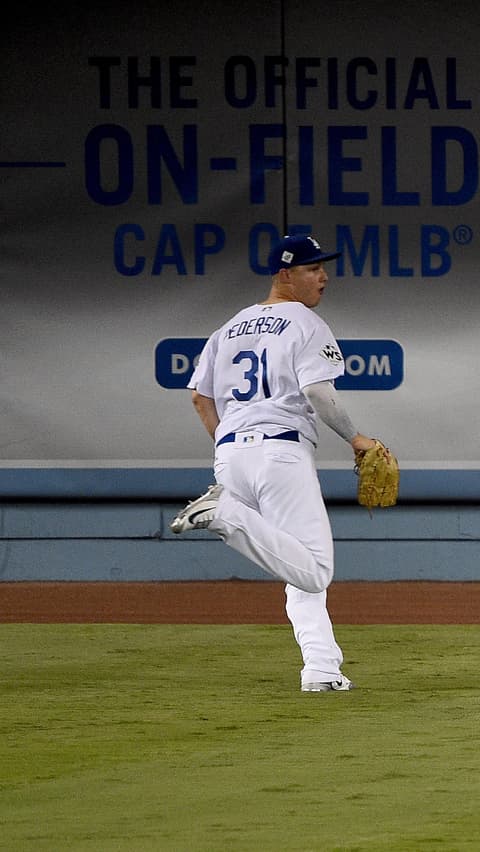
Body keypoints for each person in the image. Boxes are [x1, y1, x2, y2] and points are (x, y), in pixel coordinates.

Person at [170, 233, 382, 693]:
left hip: (230, 457)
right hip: (280, 452)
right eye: (312, 269)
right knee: (316, 569)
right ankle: (224, 514)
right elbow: (318, 392)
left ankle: (322, 669)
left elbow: (199, 397)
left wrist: (228, 445)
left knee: (296, 567)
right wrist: (356, 438)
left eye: (323, 267)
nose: (323, 276)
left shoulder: (228, 327)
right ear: (285, 275)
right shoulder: (305, 323)